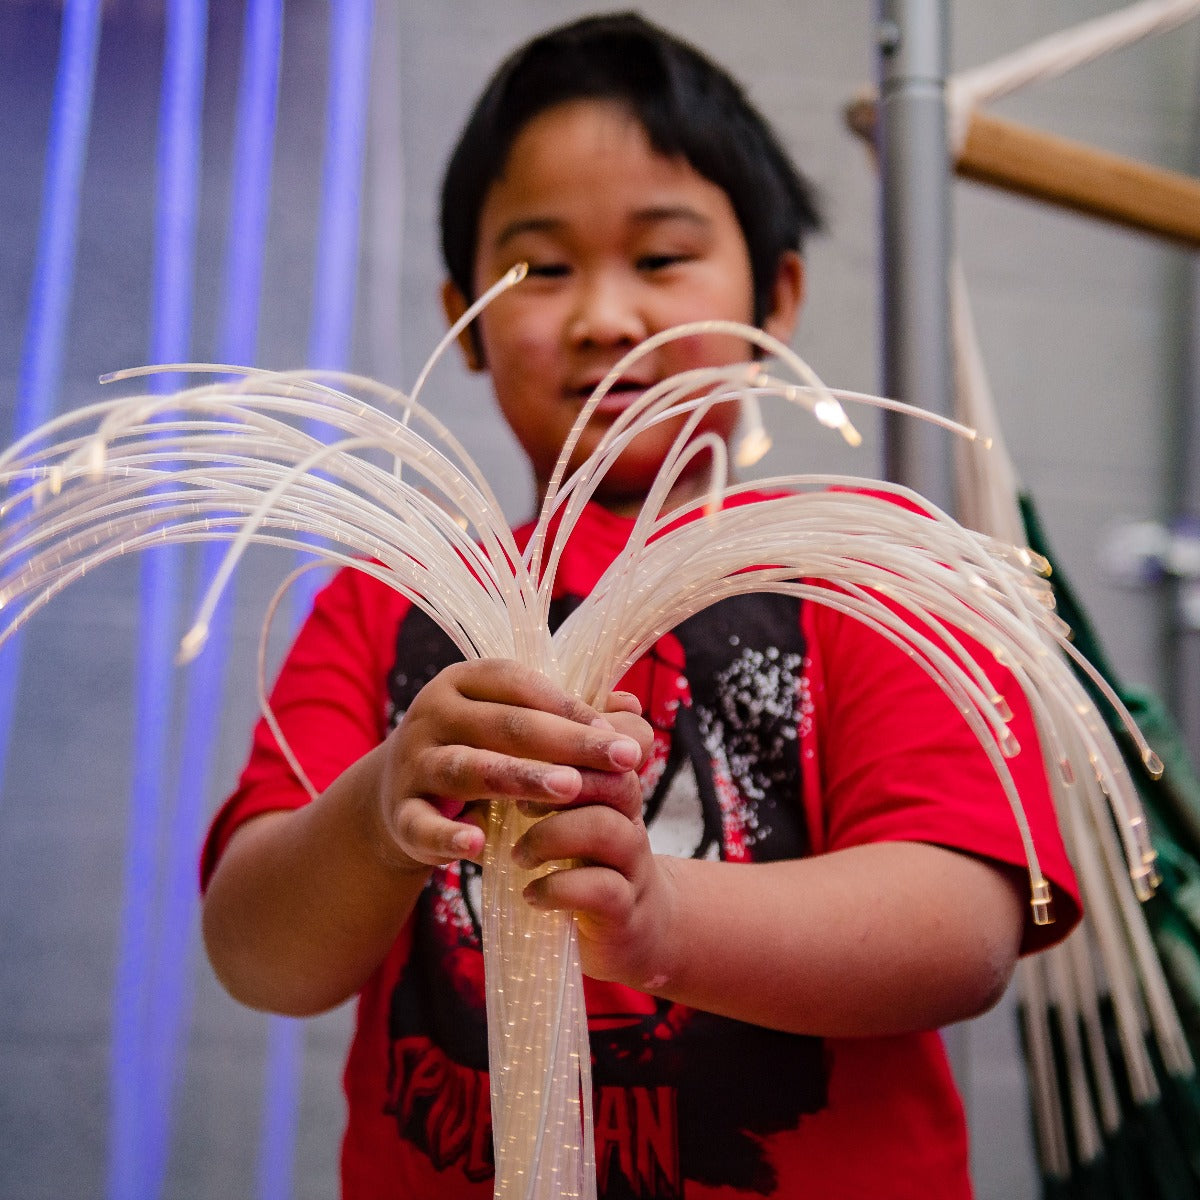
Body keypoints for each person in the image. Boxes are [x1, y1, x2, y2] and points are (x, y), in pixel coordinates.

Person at [200, 12, 1081, 1198]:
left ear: (776, 296)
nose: (605, 317)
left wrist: (663, 919)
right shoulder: (385, 599)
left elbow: (963, 932)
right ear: (461, 309)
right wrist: (375, 812)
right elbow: (260, 955)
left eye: (662, 260)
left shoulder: (867, 571)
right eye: (539, 268)